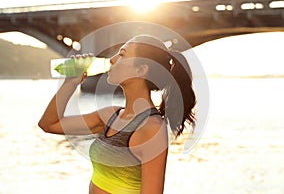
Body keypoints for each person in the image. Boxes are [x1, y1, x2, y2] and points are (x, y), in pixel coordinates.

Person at [38, 34, 196, 194]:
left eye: (121, 55)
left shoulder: (152, 129)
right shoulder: (111, 115)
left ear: (140, 70)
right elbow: (49, 124)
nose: (112, 59)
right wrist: (70, 82)